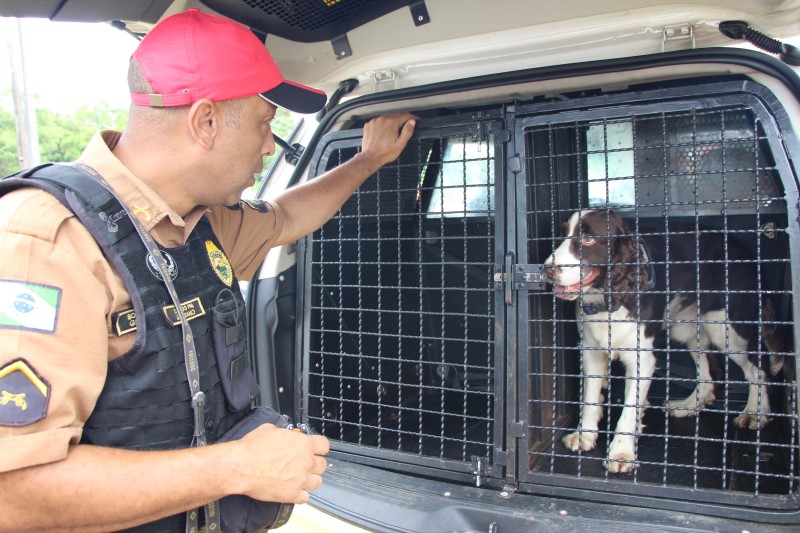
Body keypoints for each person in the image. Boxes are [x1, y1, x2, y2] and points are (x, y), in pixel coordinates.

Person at [0, 8, 417, 533]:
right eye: (265, 125)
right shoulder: (45, 239)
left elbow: (287, 214)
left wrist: (368, 160)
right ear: (205, 122)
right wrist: (237, 467)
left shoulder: (200, 220)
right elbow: (13, 492)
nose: (270, 146)